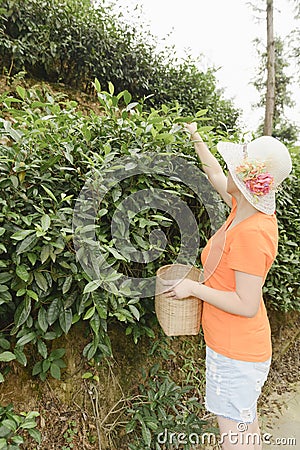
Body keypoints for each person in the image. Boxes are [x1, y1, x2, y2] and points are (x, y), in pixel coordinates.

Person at [163, 122, 292, 450]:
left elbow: (246, 304)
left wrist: (193, 289)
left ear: (248, 182)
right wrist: (195, 135)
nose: (229, 171)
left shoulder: (252, 233)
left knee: (235, 439)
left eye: (237, 167)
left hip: (237, 352)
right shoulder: (243, 211)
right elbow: (215, 176)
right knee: (246, 430)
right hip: (238, 349)